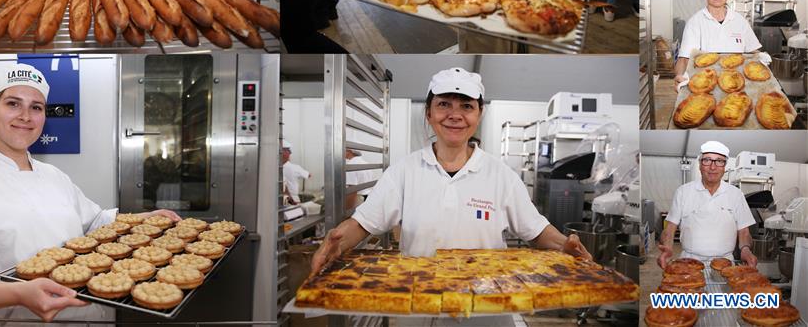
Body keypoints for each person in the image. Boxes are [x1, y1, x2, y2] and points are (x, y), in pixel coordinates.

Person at [0, 63, 181, 323]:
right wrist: (19, 293)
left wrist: (144, 219)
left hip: (86, 320)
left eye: (36, 107)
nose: (25, 116)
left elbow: (96, 223)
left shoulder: (55, 176)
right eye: (13, 103)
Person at [311, 67, 592, 280]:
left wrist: (564, 246)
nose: (455, 115)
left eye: (466, 106)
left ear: (479, 114)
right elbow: (363, 223)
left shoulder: (501, 176)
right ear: (429, 113)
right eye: (444, 104)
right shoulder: (404, 172)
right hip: (420, 301)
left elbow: (536, 230)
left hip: (488, 304)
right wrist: (336, 242)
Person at [658, 141, 758, 268]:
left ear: (725, 166)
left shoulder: (736, 194)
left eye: (719, 161)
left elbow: (744, 231)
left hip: (725, 263)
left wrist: (745, 250)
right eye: (707, 160)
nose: (713, 167)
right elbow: (670, 228)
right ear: (700, 164)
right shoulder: (683, 192)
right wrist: (667, 247)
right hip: (688, 262)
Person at [673, 0, 767, 91]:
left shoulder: (740, 21)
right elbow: (684, 59)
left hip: (737, 85)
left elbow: (754, 51)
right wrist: (679, 75)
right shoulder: (695, 22)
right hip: (705, 86)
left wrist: (762, 57)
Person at [282, 140, 311, 205]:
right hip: (292, 198)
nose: (290, 153)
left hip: (284, 198)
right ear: (283, 152)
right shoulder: (294, 167)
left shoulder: (274, 168)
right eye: (288, 151)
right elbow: (309, 175)